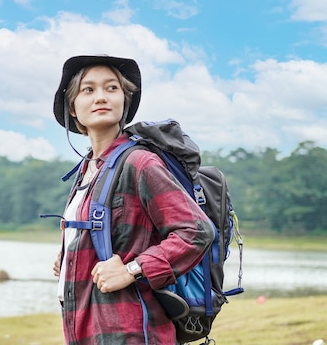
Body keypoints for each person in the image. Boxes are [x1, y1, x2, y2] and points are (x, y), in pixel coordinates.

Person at [51, 55, 215, 345]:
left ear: (124, 101)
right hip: (88, 330)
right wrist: (70, 258)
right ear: (72, 109)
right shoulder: (89, 169)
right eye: (88, 90)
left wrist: (132, 270)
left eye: (111, 88)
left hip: (131, 333)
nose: (101, 96)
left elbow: (196, 231)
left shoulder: (139, 162)